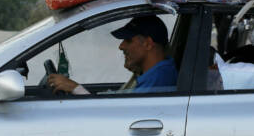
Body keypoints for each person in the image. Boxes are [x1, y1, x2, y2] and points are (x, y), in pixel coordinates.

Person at [45, 15, 177, 94]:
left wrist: (75, 88)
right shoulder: (154, 72)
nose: (121, 46)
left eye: (128, 40)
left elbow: (123, 117)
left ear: (148, 44)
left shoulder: (159, 78)